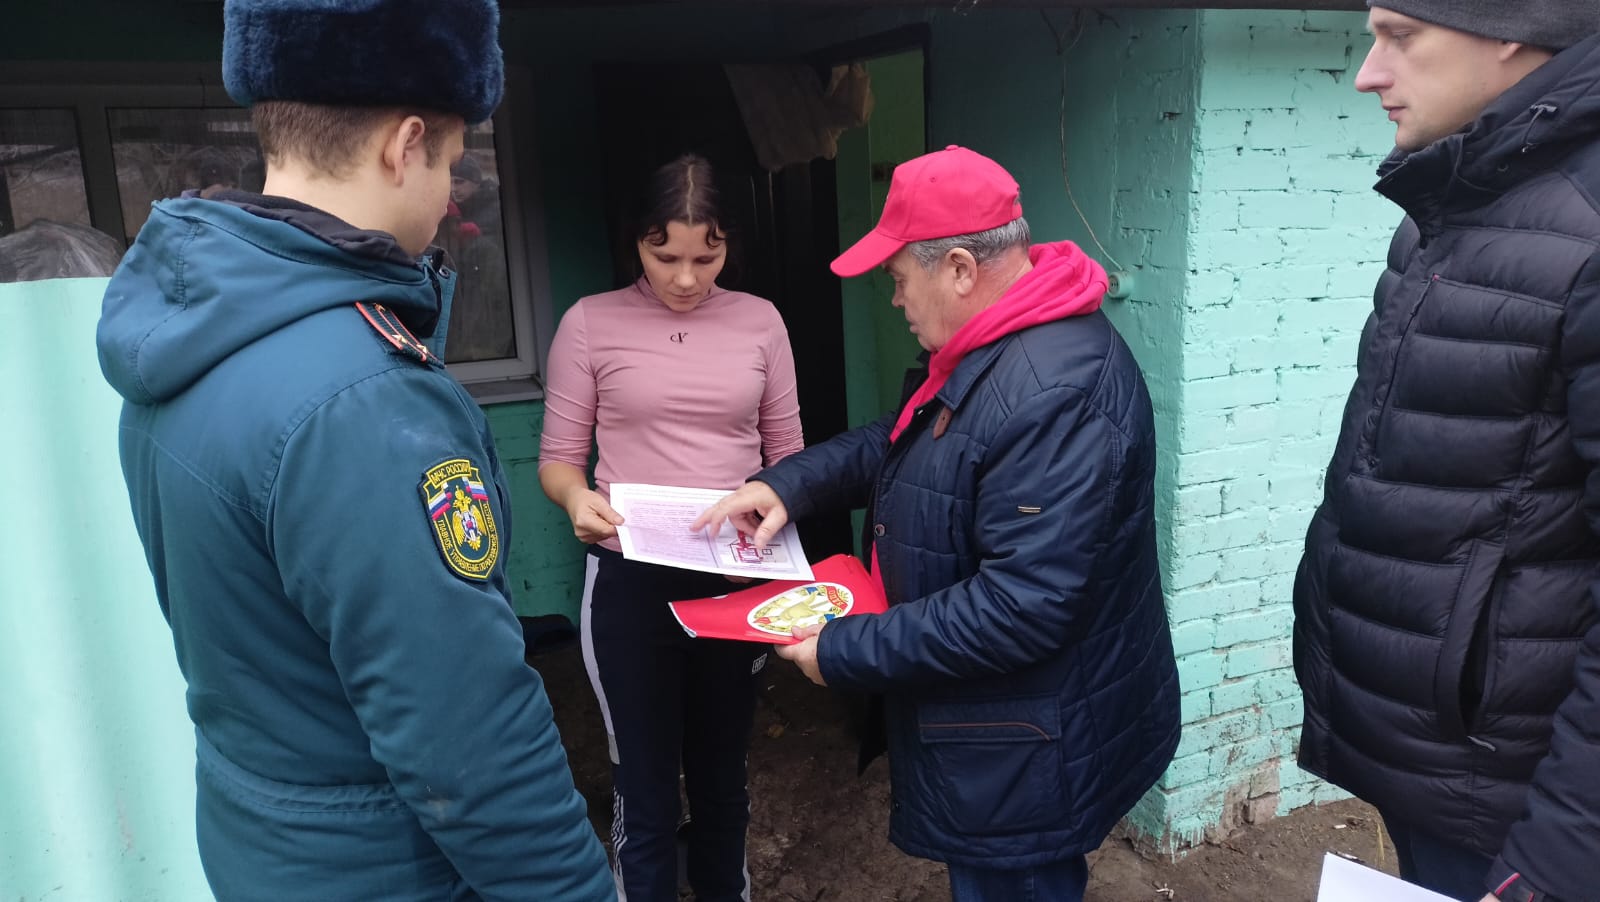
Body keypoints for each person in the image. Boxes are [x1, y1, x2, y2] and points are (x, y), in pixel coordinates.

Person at [94, 1, 614, 899]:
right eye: (453, 161)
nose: (451, 194)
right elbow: (472, 748)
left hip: (263, 843)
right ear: (404, 146)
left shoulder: (190, 330)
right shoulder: (366, 401)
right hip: (387, 871)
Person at [693, 146, 1181, 902]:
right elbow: (911, 439)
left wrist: (843, 649)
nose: (895, 299)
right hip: (1008, 734)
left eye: (897, 278)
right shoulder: (997, 344)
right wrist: (789, 484)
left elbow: (1019, 608)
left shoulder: (1055, 390)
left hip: (1028, 747)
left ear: (958, 269)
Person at [1293, 4, 1600, 901]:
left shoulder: (1586, 231)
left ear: (1511, 28)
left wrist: (1557, 858)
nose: (1367, 72)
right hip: (1437, 762)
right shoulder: (1451, 200)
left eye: (1400, 35)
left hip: (1520, 806)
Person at [537, 153, 804, 902]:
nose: (686, 279)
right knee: (645, 786)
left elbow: (790, 459)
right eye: (665, 258)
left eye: (706, 258)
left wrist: (776, 496)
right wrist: (575, 499)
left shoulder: (761, 322)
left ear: (728, 245)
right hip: (630, 582)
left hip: (733, 578)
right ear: (637, 242)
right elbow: (559, 461)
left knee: (723, 778)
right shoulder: (590, 323)